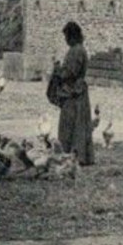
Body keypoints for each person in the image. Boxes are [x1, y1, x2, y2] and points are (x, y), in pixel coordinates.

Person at [50, 20, 94, 165]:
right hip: (77, 92)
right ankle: (79, 155)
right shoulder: (79, 49)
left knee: (70, 125)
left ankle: (72, 155)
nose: (65, 40)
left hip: (73, 93)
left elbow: (70, 72)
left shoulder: (76, 51)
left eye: (66, 37)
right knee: (79, 125)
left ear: (72, 36)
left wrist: (57, 71)